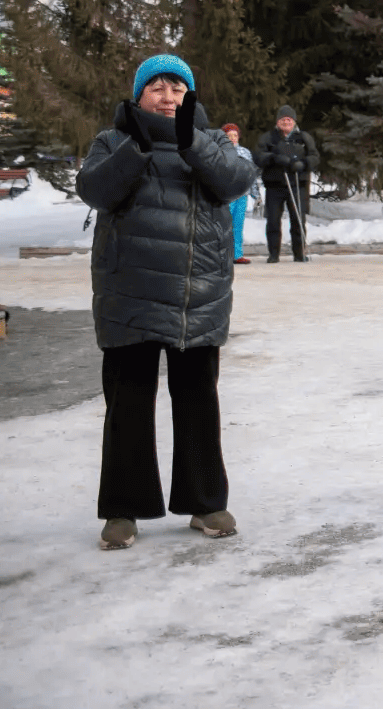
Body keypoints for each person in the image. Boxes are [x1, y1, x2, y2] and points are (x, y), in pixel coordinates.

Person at [76, 54, 256, 550]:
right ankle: (122, 509)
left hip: (195, 298)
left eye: (178, 87)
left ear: (190, 96)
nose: (168, 95)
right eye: (157, 87)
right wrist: (136, 147)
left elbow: (235, 181)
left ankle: (205, 502)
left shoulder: (212, 141)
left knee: (199, 399)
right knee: (129, 402)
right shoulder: (112, 141)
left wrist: (190, 141)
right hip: (128, 293)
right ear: (139, 95)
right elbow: (95, 190)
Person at [254, 105, 319, 262]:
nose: (286, 121)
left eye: (289, 119)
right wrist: (274, 158)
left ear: (294, 121)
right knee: (273, 221)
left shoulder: (303, 137)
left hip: (298, 184)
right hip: (275, 184)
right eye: (283, 119)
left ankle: (299, 253)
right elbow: (258, 156)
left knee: (298, 220)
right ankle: (274, 254)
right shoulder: (268, 137)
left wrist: (303, 164)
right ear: (277, 121)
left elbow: (315, 157)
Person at [220, 123, 259, 265]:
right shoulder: (220, 151)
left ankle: (237, 254)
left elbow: (251, 174)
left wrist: (256, 193)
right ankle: (223, 254)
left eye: (235, 135)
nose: (232, 138)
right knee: (225, 225)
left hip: (242, 194)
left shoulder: (245, 152)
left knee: (238, 224)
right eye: (228, 136)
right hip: (227, 194)